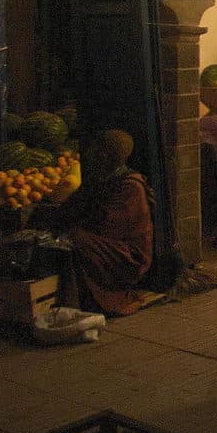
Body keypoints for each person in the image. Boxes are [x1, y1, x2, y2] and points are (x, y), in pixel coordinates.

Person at [50, 129, 155, 316]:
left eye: (99, 150)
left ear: (111, 155)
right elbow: (77, 205)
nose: (93, 154)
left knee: (75, 240)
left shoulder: (131, 187)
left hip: (129, 256)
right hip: (109, 245)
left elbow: (107, 226)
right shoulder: (104, 179)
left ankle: (72, 308)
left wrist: (75, 224)